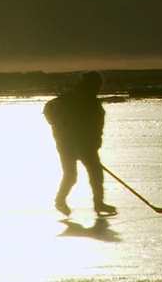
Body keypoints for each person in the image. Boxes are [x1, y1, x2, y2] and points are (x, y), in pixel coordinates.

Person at [43, 71, 117, 217]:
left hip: (87, 145)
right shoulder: (69, 98)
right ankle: (60, 200)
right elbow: (49, 110)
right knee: (71, 175)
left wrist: (95, 142)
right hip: (68, 145)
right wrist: (60, 129)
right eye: (97, 85)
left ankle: (99, 204)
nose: (99, 88)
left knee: (95, 174)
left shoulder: (92, 103)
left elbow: (96, 126)